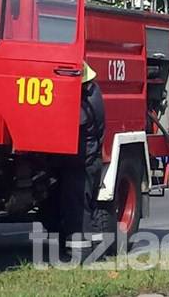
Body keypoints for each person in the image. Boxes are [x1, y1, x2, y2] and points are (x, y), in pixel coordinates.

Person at [59, 62, 107, 250]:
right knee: (88, 202)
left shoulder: (86, 105)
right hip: (90, 159)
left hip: (84, 160)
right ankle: (94, 245)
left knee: (79, 202)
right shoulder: (94, 93)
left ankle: (82, 248)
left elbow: (71, 125)